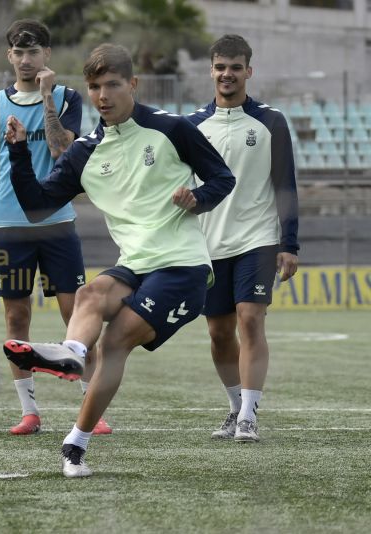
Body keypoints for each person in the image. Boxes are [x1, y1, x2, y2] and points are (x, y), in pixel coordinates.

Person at [1, 43, 236, 477]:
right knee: (89, 294)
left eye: (112, 85)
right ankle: (72, 355)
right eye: (94, 87)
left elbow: (223, 177)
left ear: (133, 84)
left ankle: (76, 442)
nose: (103, 95)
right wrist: (17, 151)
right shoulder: (84, 152)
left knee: (113, 344)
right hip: (135, 264)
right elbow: (36, 206)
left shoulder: (173, 128)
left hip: (183, 266)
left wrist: (197, 198)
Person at [0, 19, 111, 436]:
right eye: (19, 52)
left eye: (33, 52)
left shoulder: (67, 98)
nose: (26, 60)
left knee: (76, 315)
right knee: (17, 316)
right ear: (9, 56)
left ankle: (92, 409)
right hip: (9, 228)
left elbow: (63, 149)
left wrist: (46, 97)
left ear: (47, 54)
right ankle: (30, 412)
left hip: (57, 225)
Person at [187, 34, 299, 443]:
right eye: (220, 67)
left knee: (250, 319)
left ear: (249, 71)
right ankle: (235, 407)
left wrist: (289, 244)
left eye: (235, 67)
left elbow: (285, 185)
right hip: (209, 243)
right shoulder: (191, 126)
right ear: (211, 71)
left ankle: (250, 416)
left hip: (259, 238)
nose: (227, 74)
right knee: (219, 332)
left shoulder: (272, 122)